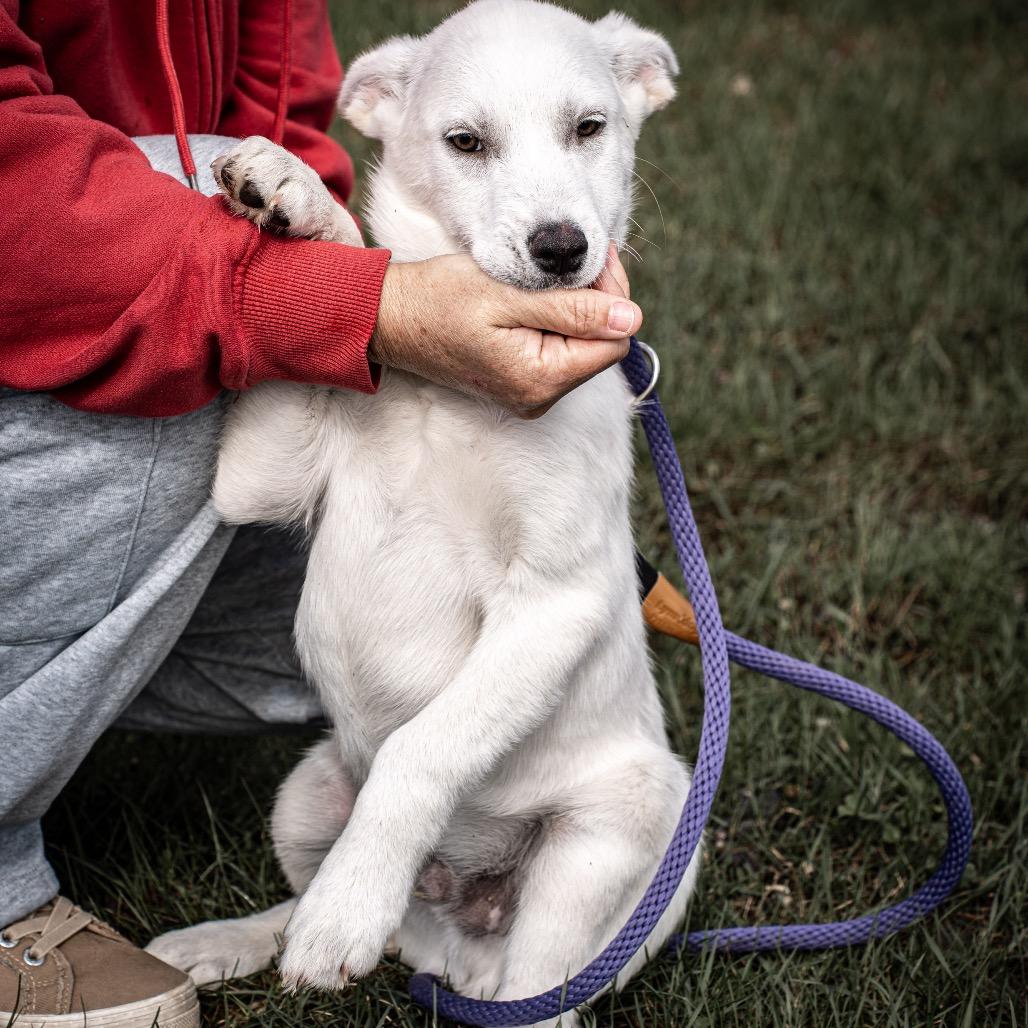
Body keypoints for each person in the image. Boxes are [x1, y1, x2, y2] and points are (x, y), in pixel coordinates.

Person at [0, 1, 643, 1024]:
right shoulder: (390, 304)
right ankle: (329, 910)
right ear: (381, 110)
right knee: (315, 804)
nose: (552, 212)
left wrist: (392, 821)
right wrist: (342, 281)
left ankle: (529, 995)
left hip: (556, 813)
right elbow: (250, 482)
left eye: (585, 130)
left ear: (637, 91)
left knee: (620, 799)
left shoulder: (580, 395)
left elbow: (557, 604)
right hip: (388, 777)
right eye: (471, 143)